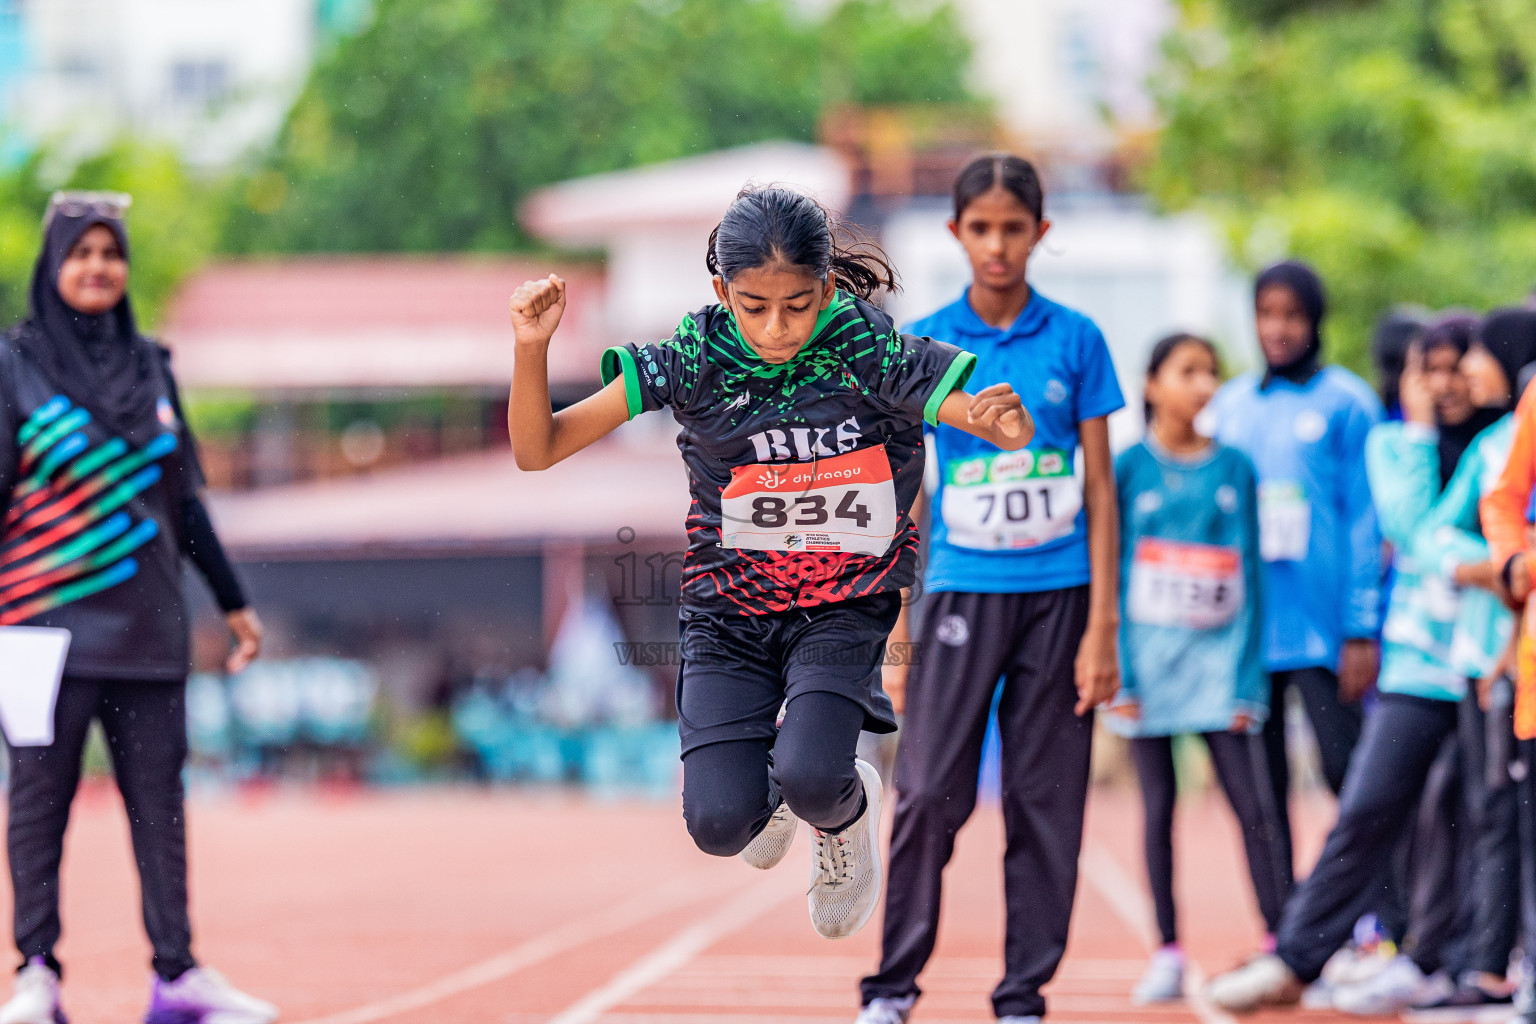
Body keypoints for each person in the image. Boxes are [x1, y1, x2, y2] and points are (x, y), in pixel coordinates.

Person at [506, 185, 1032, 941]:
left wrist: (990, 420)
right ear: (723, 291)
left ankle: (843, 816)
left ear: (825, 288)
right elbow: (539, 448)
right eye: (754, 307)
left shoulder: (860, 344)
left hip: (842, 604)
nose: (778, 328)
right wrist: (532, 348)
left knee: (816, 777)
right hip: (730, 612)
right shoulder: (694, 355)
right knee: (722, 825)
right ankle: (789, 792)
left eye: (798, 304)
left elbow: (966, 410)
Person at [857, 154, 1124, 1024]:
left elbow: (1098, 486)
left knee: (1046, 803)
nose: (998, 245)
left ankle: (1022, 996)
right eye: (982, 228)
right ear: (956, 234)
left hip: (1061, 594)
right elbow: (912, 492)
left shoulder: (1077, 339)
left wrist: (1103, 631)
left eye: (1015, 229)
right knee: (930, 791)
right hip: (960, 593)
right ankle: (892, 988)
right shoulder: (925, 343)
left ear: (1040, 234)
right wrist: (897, 622)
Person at [0, 193, 276, 1024]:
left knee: (160, 807)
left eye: (109, 254)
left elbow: (184, 503)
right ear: (53, 268)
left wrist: (234, 603)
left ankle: (177, 977)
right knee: (37, 807)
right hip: (39, 633)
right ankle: (36, 974)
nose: (97, 268)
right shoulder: (13, 366)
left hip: (150, 633)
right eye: (79, 254)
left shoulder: (153, 367)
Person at [1204, 318, 1498, 1014]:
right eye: (1432, 368)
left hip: (1486, 660)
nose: (1446, 382)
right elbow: (1410, 529)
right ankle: (1296, 958)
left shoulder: (1501, 446)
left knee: (1474, 814)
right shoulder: (1397, 442)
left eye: (1460, 366)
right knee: (1366, 806)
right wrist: (1424, 442)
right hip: (1419, 663)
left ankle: (1450, 960)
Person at [1107, 333, 1287, 1004]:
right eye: (1188, 371)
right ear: (1152, 384)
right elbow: (1112, 572)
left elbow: (1250, 577)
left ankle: (1279, 942)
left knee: (1255, 809)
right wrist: (1119, 674)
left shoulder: (1236, 467)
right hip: (1147, 670)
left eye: (1211, 370)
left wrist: (1248, 680)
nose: (1204, 383)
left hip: (1220, 670)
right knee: (1158, 812)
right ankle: (1169, 951)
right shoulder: (1128, 467)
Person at [1203, 260, 1383, 882]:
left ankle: (1386, 926)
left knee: (1348, 776)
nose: (1277, 329)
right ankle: (1282, 933)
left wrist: (1361, 627)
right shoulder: (1229, 407)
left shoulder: (1348, 403)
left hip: (1324, 628)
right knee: (1262, 791)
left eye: (1291, 315)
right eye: (1266, 314)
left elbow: (1365, 517)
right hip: (1249, 631)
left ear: (1314, 320)